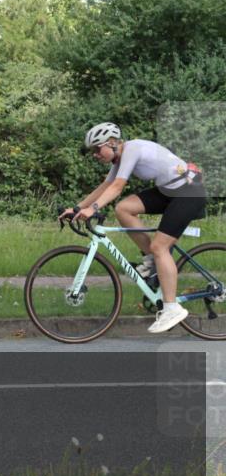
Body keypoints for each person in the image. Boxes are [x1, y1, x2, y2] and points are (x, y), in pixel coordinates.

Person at [60, 122, 207, 333]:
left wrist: (92, 209)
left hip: (188, 192)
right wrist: (76, 208)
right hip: (169, 191)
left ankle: (172, 307)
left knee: (160, 247)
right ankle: (153, 263)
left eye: (97, 148)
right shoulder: (119, 159)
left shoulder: (133, 149)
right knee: (124, 208)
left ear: (112, 143)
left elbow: (118, 186)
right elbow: (105, 186)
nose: (95, 154)